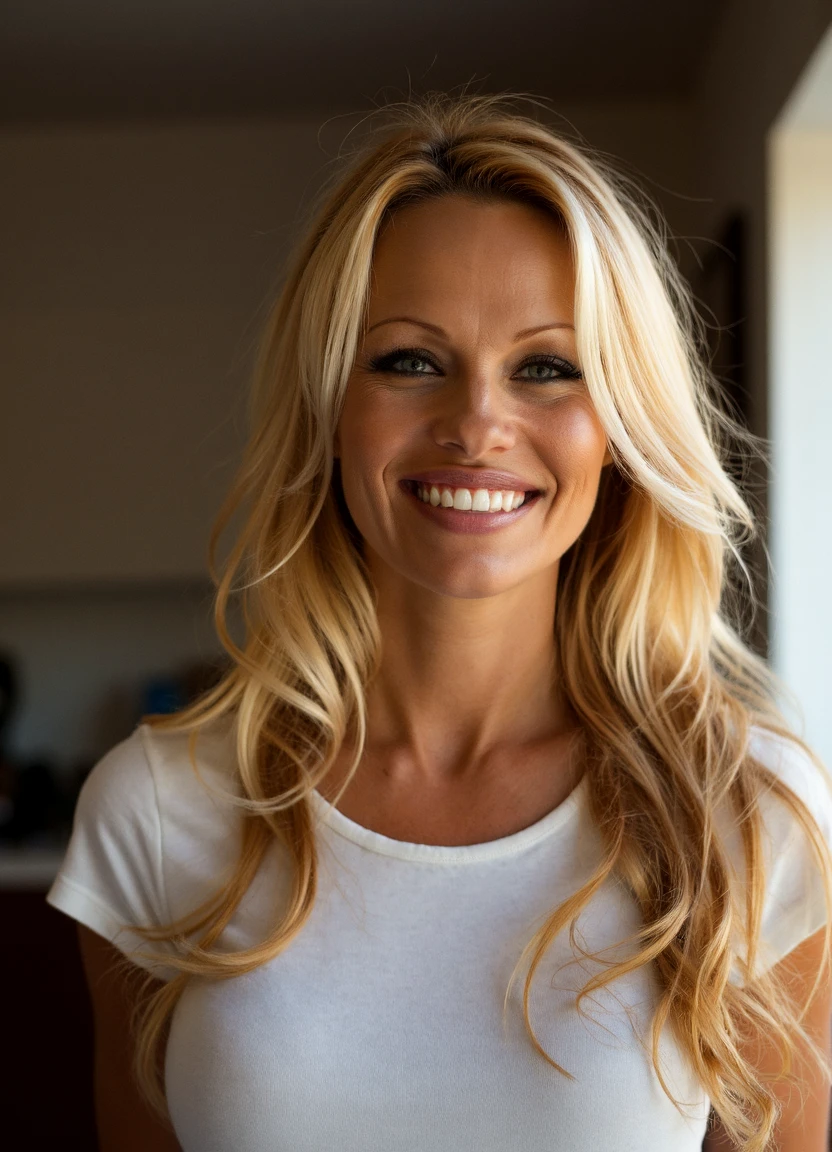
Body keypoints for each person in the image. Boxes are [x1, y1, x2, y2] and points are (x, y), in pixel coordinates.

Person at [46, 92, 832, 1152]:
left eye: (548, 366)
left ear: (622, 429)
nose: (474, 424)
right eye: (410, 360)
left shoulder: (744, 811)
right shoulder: (158, 810)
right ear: (329, 408)